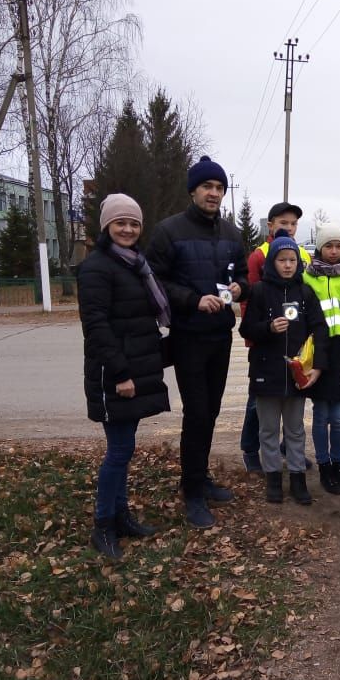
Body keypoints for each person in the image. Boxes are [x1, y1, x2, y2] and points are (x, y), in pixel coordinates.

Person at [146, 156, 249, 529]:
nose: (214, 193)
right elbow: (154, 280)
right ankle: (191, 490)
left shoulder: (230, 233)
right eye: (207, 186)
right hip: (188, 337)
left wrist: (241, 287)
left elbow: (240, 275)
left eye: (219, 188)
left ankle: (201, 476)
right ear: (193, 190)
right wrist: (192, 300)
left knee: (212, 411)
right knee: (197, 413)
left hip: (220, 335)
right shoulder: (169, 231)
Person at [78, 193, 171, 559]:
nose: (128, 229)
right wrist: (120, 374)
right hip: (113, 374)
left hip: (132, 368)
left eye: (134, 223)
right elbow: (97, 326)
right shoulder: (97, 268)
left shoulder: (133, 264)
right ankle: (103, 525)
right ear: (107, 226)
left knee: (124, 448)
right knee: (118, 451)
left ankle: (120, 516)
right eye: (121, 223)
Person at [239, 231, 329, 504]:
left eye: (292, 260)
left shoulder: (305, 291)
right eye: (282, 260)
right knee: (267, 430)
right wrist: (268, 328)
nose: (288, 265)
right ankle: (273, 479)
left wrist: (318, 366)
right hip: (266, 373)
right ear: (272, 263)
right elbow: (246, 328)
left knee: (295, 430)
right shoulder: (259, 291)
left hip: (296, 375)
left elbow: (320, 329)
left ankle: (298, 479)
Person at [240, 202, 313, 473]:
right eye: (283, 223)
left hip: (292, 344)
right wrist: (254, 338)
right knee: (257, 405)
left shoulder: (302, 254)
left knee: (291, 401)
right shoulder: (259, 255)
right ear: (270, 225)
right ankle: (250, 449)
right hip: (264, 344)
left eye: (293, 224)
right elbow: (250, 299)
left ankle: (287, 449)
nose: (289, 228)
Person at [302, 222, 340, 495]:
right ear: (319, 247)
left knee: (339, 416)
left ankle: (338, 464)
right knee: (320, 414)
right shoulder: (307, 278)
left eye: (339, 245)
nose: (335, 251)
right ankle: (324, 465)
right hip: (318, 354)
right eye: (329, 246)